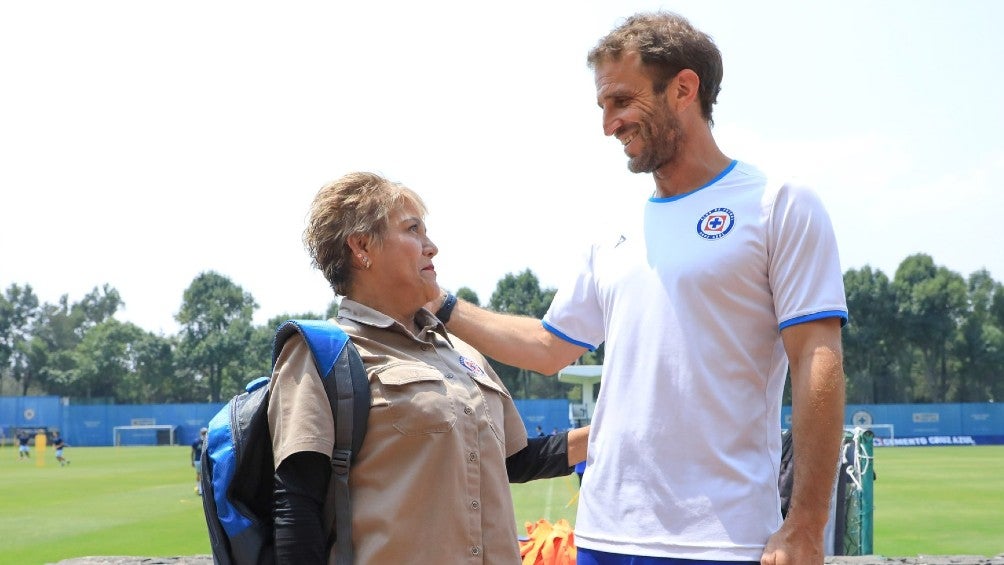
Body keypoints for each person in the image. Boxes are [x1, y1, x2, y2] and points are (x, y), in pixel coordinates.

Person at [431, 11, 847, 565]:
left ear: (683, 89)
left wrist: (807, 524)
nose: (609, 124)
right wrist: (439, 306)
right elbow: (549, 348)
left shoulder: (778, 204)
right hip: (603, 535)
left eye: (622, 101)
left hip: (721, 541)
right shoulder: (612, 230)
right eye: (602, 106)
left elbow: (817, 360)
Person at [267, 171, 588, 563]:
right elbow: (296, 503)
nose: (431, 247)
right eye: (412, 229)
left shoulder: (461, 352)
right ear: (361, 246)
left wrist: (610, 432)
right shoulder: (322, 353)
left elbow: (516, 460)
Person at [191, 427, 207, 495]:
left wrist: (192, 461)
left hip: (197, 460)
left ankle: (200, 489)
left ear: (200, 433)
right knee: (205, 475)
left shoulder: (196, 441)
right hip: (204, 460)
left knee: (198, 474)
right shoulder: (208, 441)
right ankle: (204, 490)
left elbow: (192, 452)